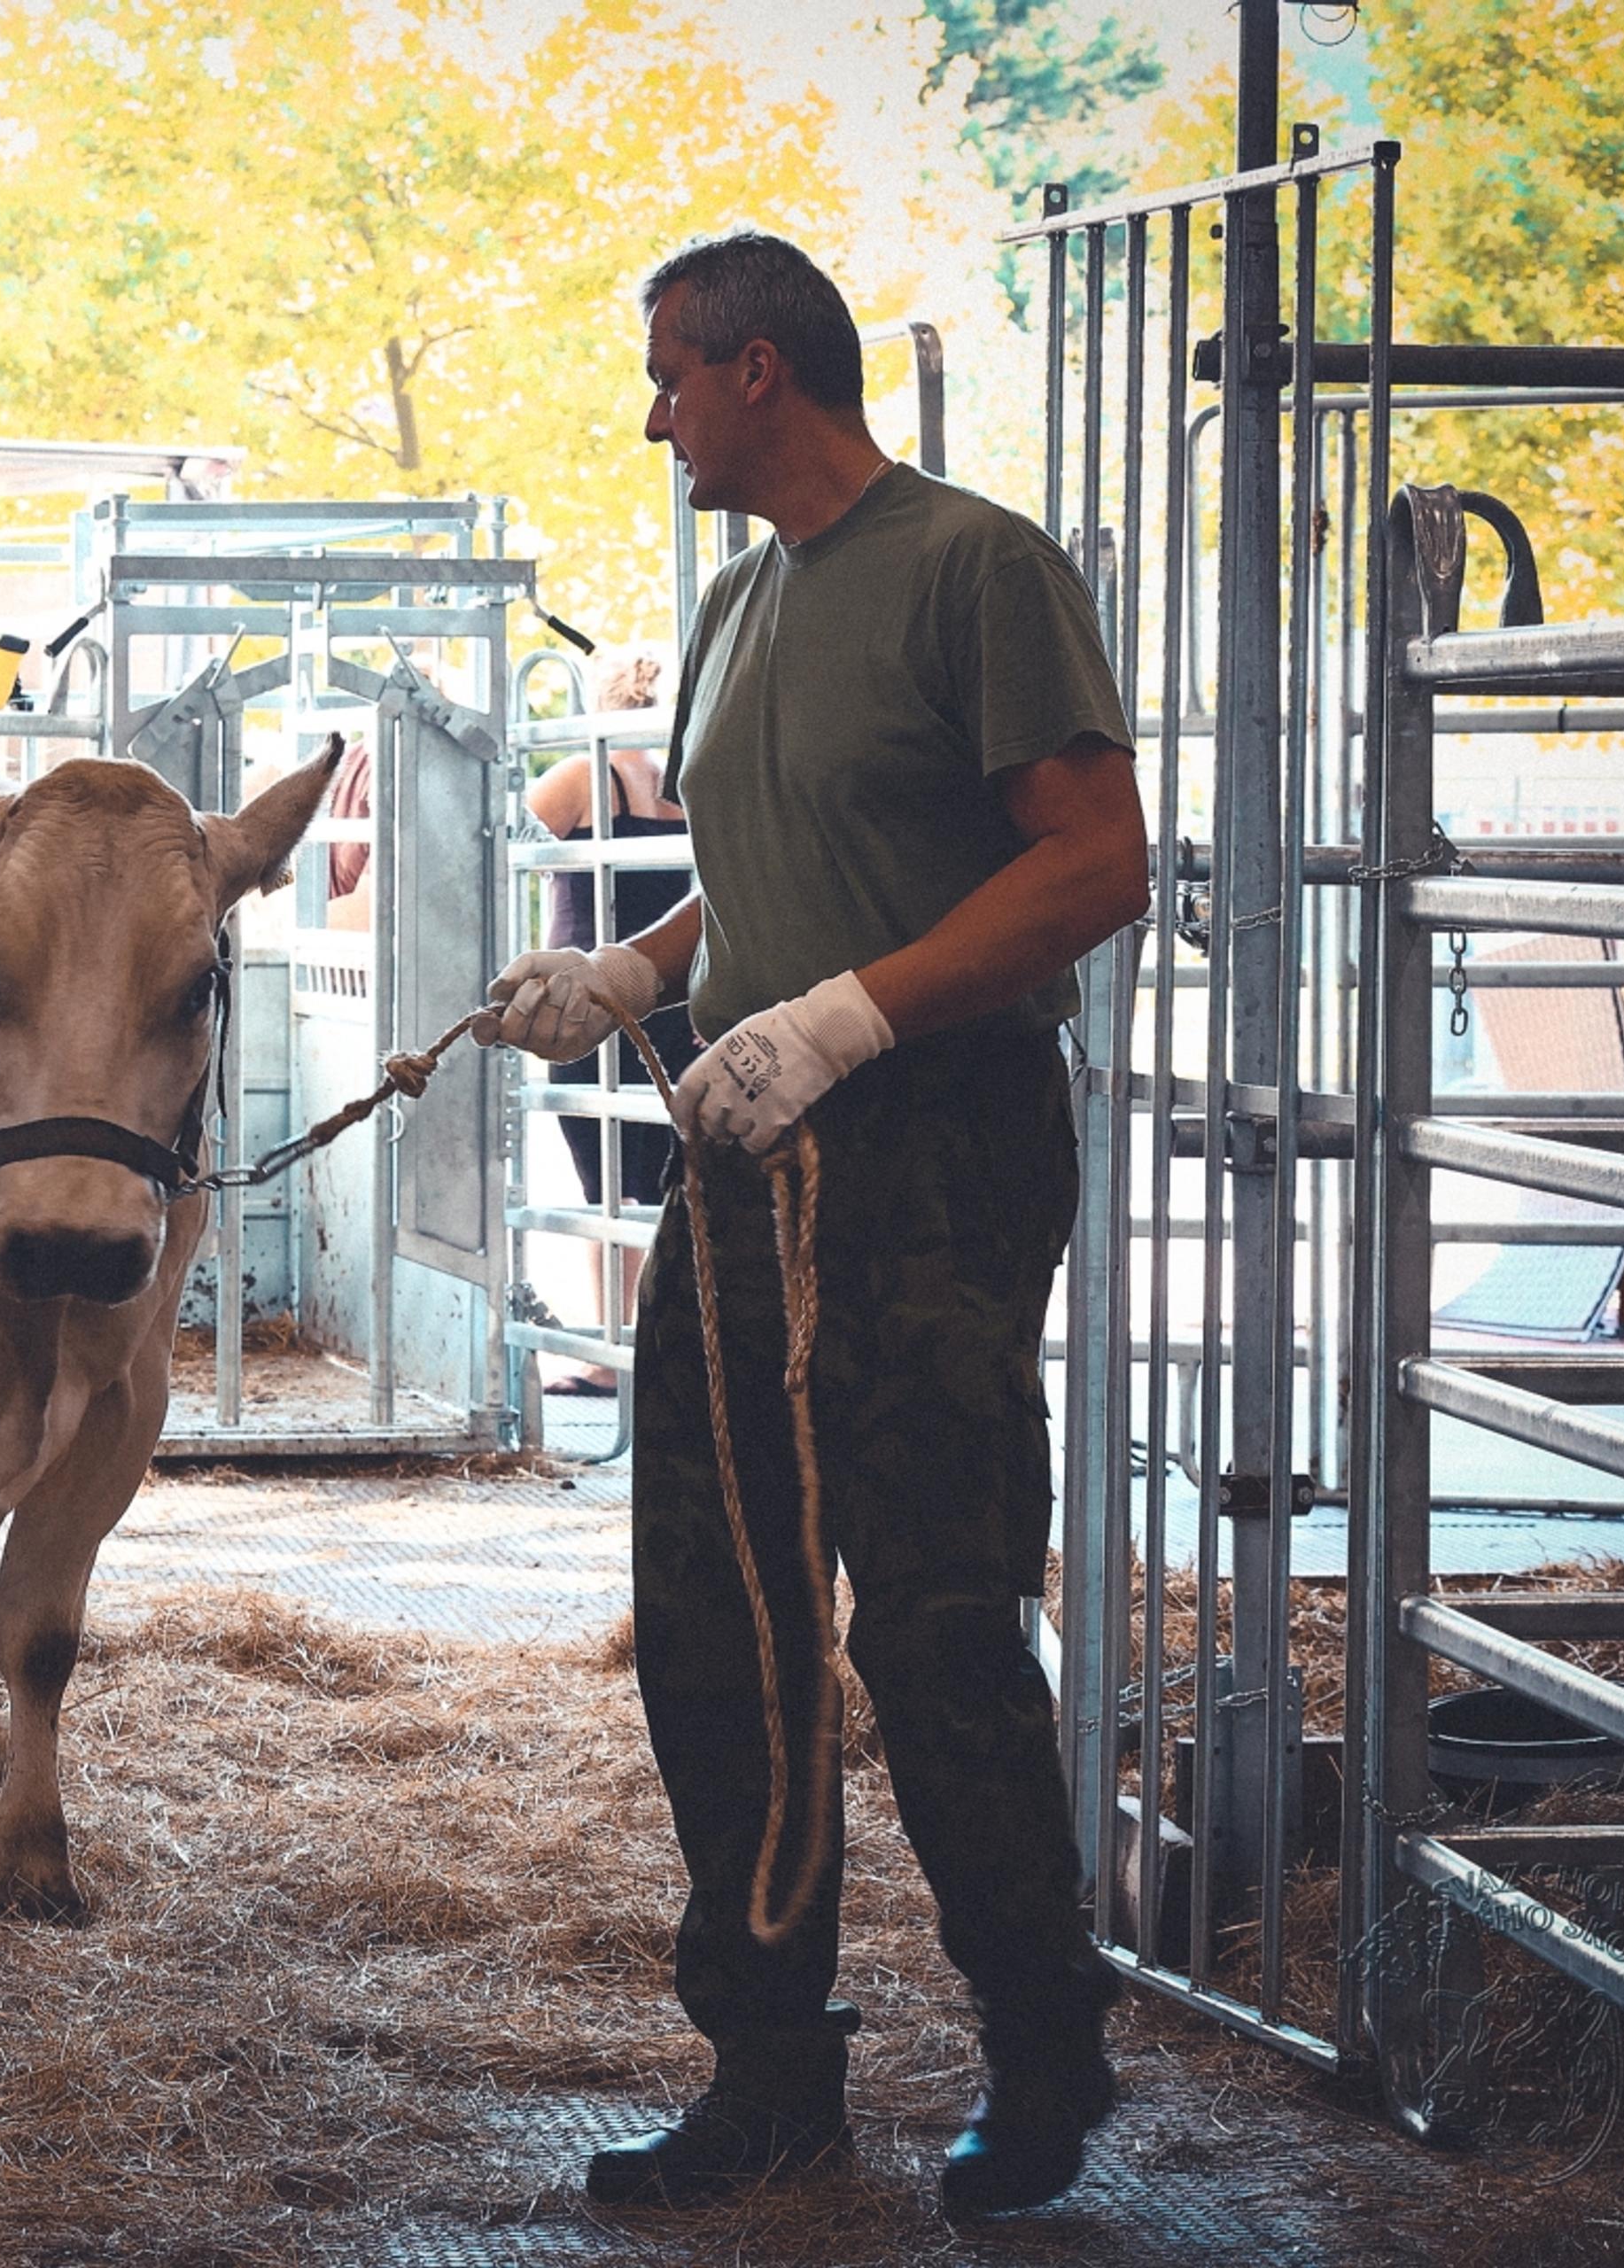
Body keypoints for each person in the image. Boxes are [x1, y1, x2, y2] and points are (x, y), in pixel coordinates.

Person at [486, 230, 1146, 2218]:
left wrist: (853, 1015)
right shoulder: (738, 602)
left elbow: (1096, 861)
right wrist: (642, 970)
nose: (656, 417)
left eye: (670, 376)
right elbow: (774, 863)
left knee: (933, 1620)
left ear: (760, 368)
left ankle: (1044, 2043)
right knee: (720, 1616)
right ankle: (770, 2072)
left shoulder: (976, 570)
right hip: (748, 1149)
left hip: (935, 1141)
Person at [524, 649, 690, 1377]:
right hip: (669, 996)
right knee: (656, 1177)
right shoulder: (681, 784)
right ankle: (652, 1344)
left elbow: (502, 839)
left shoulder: (584, 774)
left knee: (605, 1183)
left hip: (592, 997)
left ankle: (608, 1354)